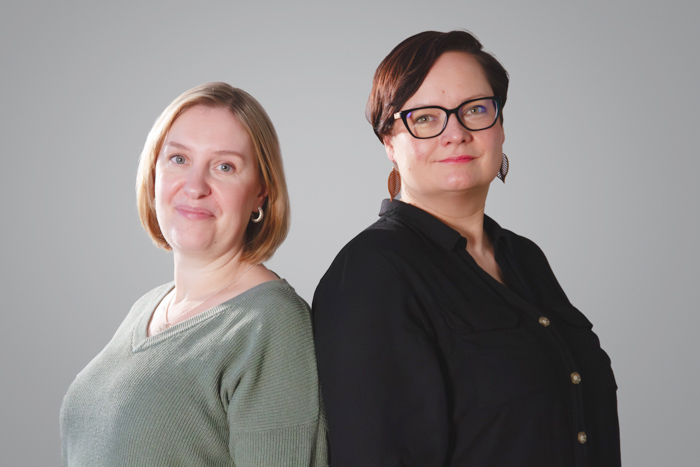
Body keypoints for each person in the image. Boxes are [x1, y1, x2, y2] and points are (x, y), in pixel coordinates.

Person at [313, 31, 620, 466]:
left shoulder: (524, 257)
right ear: (389, 141)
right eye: (425, 117)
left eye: (475, 109)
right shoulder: (370, 274)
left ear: (500, 127)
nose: (455, 133)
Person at [60, 82, 327, 466]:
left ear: (260, 193)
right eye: (179, 159)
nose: (195, 186)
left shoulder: (270, 323)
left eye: (224, 167)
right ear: (154, 174)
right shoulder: (146, 308)